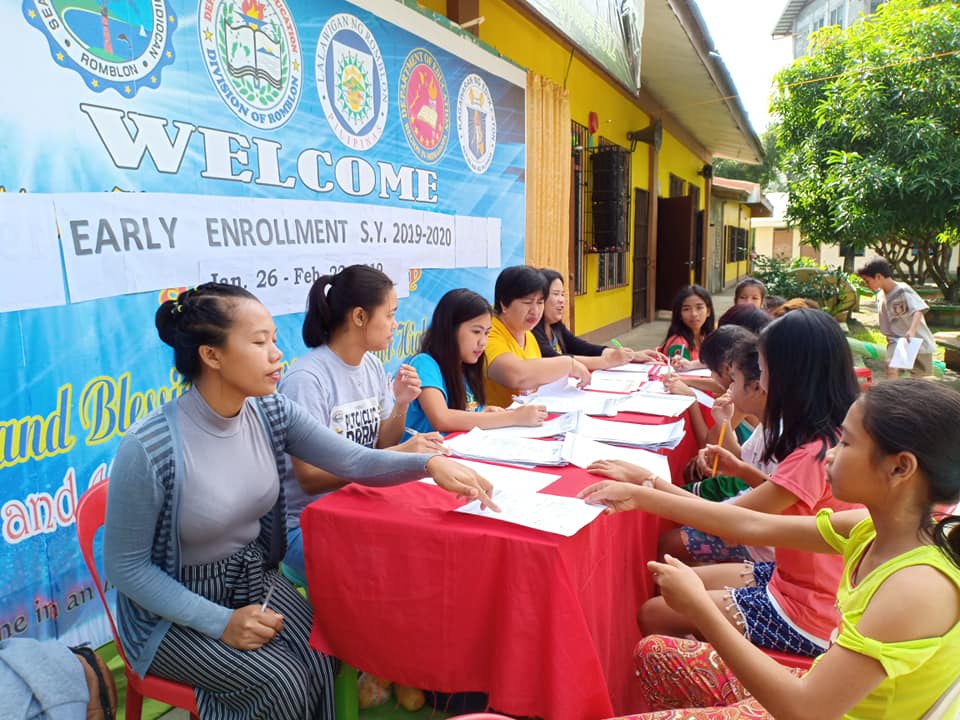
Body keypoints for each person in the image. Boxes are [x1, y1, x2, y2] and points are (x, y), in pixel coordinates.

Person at [103, 283, 495, 720]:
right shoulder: (151, 447)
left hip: (251, 579)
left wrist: (427, 466)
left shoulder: (271, 411)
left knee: (327, 649)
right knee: (282, 679)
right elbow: (127, 568)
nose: (276, 354)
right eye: (258, 342)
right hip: (171, 615)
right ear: (211, 356)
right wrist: (221, 622)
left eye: (274, 338)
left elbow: (353, 460)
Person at [583, 379, 960, 719]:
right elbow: (749, 524)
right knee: (654, 654)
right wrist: (641, 495)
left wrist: (698, 606)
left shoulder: (916, 588)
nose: (830, 454)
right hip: (819, 685)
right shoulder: (869, 528)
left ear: (900, 469)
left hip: (810, 705)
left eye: (846, 443)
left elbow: (804, 710)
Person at [592, 309, 861, 658]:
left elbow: (735, 523)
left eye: (763, 372)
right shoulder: (826, 436)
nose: (759, 384)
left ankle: (709, 682)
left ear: (788, 378)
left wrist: (645, 487)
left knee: (654, 613)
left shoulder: (813, 451)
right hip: (793, 578)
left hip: (808, 610)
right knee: (668, 591)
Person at [279, 265, 444, 577]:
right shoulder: (307, 380)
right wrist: (403, 455)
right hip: (307, 522)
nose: (396, 325)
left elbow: (383, 443)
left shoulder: (368, 363)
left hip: (356, 504)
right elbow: (310, 477)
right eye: (390, 314)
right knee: (395, 565)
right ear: (359, 317)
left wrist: (401, 403)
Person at [404, 288, 548, 435]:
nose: (483, 342)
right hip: (423, 455)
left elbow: (465, 411)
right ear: (450, 329)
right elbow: (442, 418)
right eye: (476, 332)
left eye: (487, 333)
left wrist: (484, 411)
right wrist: (513, 417)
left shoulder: (466, 367)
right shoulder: (423, 364)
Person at [484, 265, 591, 407]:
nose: (535, 311)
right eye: (527, 302)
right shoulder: (488, 331)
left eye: (540, 302)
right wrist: (567, 363)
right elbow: (515, 375)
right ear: (504, 303)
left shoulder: (528, 334)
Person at [532, 268, 664, 368]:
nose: (562, 300)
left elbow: (583, 348)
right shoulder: (532, 331)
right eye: (556, 294)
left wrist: (630, 356)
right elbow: (553, 359)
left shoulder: (555, 326)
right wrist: (606, 361)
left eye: (563, 294)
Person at [857, 257, 936, 378]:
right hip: (897, 340)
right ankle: (891, 395)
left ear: (878, 276)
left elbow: (918, 310)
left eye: (867, 281)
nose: (866, 285)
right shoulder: (880, 296)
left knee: (921, 377)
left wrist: (912, 330)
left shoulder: (903, 290)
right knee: (891, 367)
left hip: (917, 341)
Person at [660, 285, 714, 371]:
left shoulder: (709, 336)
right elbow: (679, 373)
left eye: (699, 307)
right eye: (686, 309)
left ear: (708, 311)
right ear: (679, 314)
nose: (694, 314)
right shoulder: (678, 343)